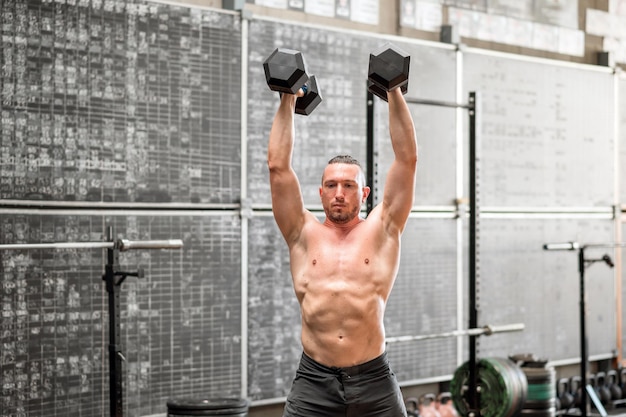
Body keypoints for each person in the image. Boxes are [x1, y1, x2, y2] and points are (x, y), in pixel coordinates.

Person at [267, 82, 418, 416]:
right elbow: (277, 167)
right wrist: (288, 97)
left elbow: (407, 161)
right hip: (314, 380)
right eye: (331, 185)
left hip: (374, 379)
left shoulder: (383, 229)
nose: (339, 193)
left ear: (364, 193)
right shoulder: (301, 233)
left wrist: (393, 90)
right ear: (320, 192)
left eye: (348, 185)